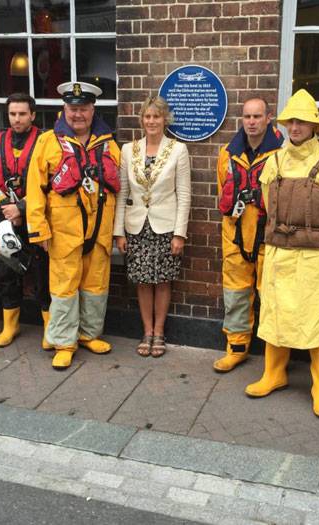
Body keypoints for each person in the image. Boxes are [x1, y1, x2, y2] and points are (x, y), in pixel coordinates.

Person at [245, 89, 319, 419]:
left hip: (313, 256)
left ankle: (318, 385)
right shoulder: (274, 161)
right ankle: (273, 373)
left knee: (314, 320)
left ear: (314, 125)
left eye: (303, 121)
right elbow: (268, 202)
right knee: (275, 313)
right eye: (291, 120)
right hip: (280, 250)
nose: (296, 127)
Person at [26, 82, 121, 369]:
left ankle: (89, 334)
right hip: (63, 231)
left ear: (93, 110)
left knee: (95, 284)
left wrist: (117, 230)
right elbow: (35, 188)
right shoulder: (47, 142)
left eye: (83, 109)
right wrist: (39, 229)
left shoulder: (108, 143)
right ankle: (64, 342)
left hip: (100, 228)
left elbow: (119, 187)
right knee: (64, 286)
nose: (77, 114)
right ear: (63, 109)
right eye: (72, 108)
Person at [114, 96, 191, 358]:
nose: (152, 121)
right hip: (136, 226)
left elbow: (184, 193)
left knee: (163, 280)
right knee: (143, 281)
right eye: (147, 116)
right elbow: (122, 191)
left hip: (166, 226)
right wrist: (118, 231)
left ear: (165, 119)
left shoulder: (178, 150)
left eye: (156, 116)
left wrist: (180, 233)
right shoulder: (128, 150)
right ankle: (146, 331)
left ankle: (159, 331)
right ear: (141, 120)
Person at [213, 97, 283, 372]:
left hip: (270, 236)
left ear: (269, 118)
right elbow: (223, 194)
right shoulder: (227, 154)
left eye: (257, 116)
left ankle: (275, 358)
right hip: (236, 236)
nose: (252, 122)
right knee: (236, 294)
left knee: (271, 296)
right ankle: (236, 347)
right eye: (247, 117)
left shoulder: (282, 153)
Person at [0, 93, 51, 349]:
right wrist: (5, 207)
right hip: (4, 218)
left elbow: (50, 180)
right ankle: (10, 325)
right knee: (7, 272)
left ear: (32, 115)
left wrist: (22, 207)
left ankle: (49, 329)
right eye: (12, 114)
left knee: (43, 273)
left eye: (22, 114)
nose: (17, 119)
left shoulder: (45, 142)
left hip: (35, 216)